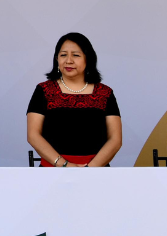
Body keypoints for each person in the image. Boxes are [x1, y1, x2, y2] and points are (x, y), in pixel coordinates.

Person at [26, 33, 122, 167]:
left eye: (76, 55)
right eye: (63, 55)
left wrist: (90, 169)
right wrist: (64, 165)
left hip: (96, 172)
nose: (69, 61)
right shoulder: (44, 90)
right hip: (52, 171)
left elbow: (115, 139)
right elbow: (33, 135)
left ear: (88, 59)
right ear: (56, 59)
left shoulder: (105, 93)